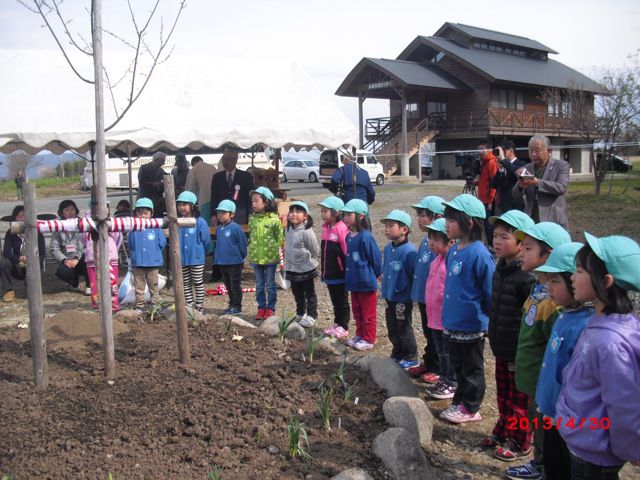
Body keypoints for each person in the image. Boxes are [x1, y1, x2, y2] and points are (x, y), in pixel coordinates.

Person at [556, 234, 640, 480]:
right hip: (585, 440)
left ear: (605, 281)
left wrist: (630, 449)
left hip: (596, 452)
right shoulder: (602, 322)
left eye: (579, 271)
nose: (572, 277)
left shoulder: (610, 343)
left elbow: (624, 405)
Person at [506, 221, 571, 480]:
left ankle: (544, 466)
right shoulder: (537, 289)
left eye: (529, 248)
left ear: (550, 254)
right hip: (532, 377)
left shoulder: (556, 303)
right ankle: (540, 462)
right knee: (536, 420)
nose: (522, 252)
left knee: (546, 426)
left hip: (546, 382)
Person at [533, 242, 593, 480]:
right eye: (547, 281)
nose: (548, 288)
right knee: (553, 463)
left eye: (555, 281)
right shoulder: (563, 314)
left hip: (567, 419)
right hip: (550, 410)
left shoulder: (584, 325)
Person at [483, 210, 536, 460]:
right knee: (503, 393)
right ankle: (504, 429)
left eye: (505, 237)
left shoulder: (526, 277)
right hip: (501, 346)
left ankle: (521, 440)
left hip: (518, 349)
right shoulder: (500, 268)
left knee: (519, 398)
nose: (497, 242)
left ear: (522, 244)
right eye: (495, 236)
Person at [439, 194, 495, 424]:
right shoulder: (454, 250)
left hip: (471, 323)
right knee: (458, 365)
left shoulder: (480, 253)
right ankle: (459, 401)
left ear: (469, 223)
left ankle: (471, 407)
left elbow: (490, 290)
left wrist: (490, 321)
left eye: (451, 220)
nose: (446, 224)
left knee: (472, 368)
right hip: (454, 322)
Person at [407, 195, 445, 382]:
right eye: (418, 215)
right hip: (423, 297)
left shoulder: (441, 245)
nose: (419, 219)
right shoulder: (424, 241)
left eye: (423, 215)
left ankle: (438, 367)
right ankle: (429, 362)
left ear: (437, 217)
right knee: (427, 332)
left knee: (436, 335)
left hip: (435, 301)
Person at [340, 199, 382, 351]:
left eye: (349, 214)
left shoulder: (366, 237)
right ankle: (359, 334)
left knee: (368, 313)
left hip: (366, 282)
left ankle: (369, 338)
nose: (345, 217)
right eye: (344, 214)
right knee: (357, 311)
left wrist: (378, 273)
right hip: (353, 282)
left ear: (361, 216)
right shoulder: (348, 236)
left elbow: (375, 257)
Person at [423, 218, 457, 400]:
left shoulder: (450, 263)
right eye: (430, 238)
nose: (431, 243)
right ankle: (443, 379)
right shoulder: (436, 261)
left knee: (447, 352)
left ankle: (450, 382)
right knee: (440, 350)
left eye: (436, 239)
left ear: (450, 242)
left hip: (445, 318)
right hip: (434, 317)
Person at [380, 210, 418, 368]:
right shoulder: (388, 248)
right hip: (390, 296)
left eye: (391, 226)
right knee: (392, 326)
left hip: (402, 297)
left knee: (403, 326)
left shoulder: (410, 252)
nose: (387, 229)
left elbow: (413, 275)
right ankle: (397, 352)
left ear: (404, 229)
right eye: (386, 226)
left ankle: (411, 355)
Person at [511, 135, 570, 228]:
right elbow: (514, 195)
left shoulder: (561, 165)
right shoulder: (526, 168)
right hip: (532, 217)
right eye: (530, 150)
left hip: (553, 218)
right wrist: (520, 185)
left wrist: (537, 182)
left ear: (549, 150)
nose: (533, 154)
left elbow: (561, 187)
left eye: (537, 150)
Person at [247, 187, 283, 320]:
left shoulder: (274, 220)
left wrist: (278, 254)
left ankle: (271, 308)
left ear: (266, 202)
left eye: (256, 201)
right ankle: (261, 307)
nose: (253, 204)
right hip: (256, 258)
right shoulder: (252, 219)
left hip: (270, 259)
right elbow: (251, 236)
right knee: (259, 285)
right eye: (252, 201)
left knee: (270, 284)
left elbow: (279, 238)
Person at [319, 196, 351, 339]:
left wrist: (346, 270)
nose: (322, 214)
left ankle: (344, 326)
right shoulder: (326, 228)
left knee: (342, 300)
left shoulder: (341, 228)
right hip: (330, 273)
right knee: (334, 300)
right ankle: (337, 323)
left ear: (336, 213)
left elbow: (346, 251)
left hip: (340, 273)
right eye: (322, 211)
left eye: (326, 211)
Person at [82, 201, 123, 312]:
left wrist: (112, 250)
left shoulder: (112, 223)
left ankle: (114, 305)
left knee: (112, 282)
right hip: (92, 259)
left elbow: (118, 238)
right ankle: (97, 305)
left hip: (110, 258)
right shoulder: (86, 223)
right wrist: (90, 249)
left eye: (106, 207)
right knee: (94, 283)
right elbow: (84, 239)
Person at [285, 201, 320, 328]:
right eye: (292, 211)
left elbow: (314, 249)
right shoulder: (288, 229)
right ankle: (301, 312)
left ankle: (312, 316)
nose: (293, 214)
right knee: (296, 292)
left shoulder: (306, 231)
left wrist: (311, 261)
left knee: (309, 293)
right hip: (292, 267)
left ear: (305, 216)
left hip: (306, 267)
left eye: (298, 212)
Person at [128, 198, 166, 312]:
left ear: (151, 213)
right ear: (135, 213)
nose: (142, 215)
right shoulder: (133, 228)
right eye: (139, 212)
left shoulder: (156, 227)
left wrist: (154, 253)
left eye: (146, 213)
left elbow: (162, 243)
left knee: (153, 286)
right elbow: (130, 244)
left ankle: (155, 304)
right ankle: (140, 305)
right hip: (138, 262)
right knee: (139, 286)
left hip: (152, 262)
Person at [0, 205, 46, 302]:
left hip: (34, 265)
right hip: (18, 265)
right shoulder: (10, 232)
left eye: (25, 216)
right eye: (19, 217)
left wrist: (32, 259)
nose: (23, 219)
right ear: (14, 219)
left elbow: (42, 253)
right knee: (2, 262)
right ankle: (8, 290)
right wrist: (19, 258)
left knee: (31, 294)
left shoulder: (37, 232)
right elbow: (7, 252)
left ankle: (33, 290)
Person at [177, 191, 211, 313]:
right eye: (179, 204)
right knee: (185, 282)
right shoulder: (177, 221)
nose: (181, 207)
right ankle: (189, 304)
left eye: (185, 204)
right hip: (182, 258)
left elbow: (206, 240)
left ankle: (199, 305)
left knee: (197, 281)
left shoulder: (200, 221)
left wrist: (202, 252)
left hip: (196, 258)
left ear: (192, 205)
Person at [214, 199, 247, 315]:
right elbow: (218, 245)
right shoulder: (219, 228)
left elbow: (243, 244)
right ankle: (232, 303)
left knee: (235, 285)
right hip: (223, 262)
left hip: (235, 262)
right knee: (228, 284)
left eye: (223, 213)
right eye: (218, 213)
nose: (220, 215)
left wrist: (242, 257)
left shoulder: (236, 228)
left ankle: (237, 306)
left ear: (231, 214)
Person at [50, 199, 89, 293]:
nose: (70, 212)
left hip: (81, 257)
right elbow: (54, 248)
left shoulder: (83, 224)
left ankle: (89, 286)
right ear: (61, 213)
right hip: (66, 258)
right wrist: (65, 260)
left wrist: (77, 258)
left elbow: (87, 245)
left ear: (76, 210)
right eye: (67, 210)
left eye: (72, 209)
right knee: (62, 271)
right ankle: (74, 284)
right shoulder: (58, 226)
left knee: (89, 261)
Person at [210, 150, 255, 226]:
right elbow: (214, 198)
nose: (225, 162)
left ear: (235, 160)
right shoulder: (217, 177)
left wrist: (251, 214)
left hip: (240, 214)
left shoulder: (246, 176)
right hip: (222, 214)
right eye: (223, 159)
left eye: (228, 159)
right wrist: (213, 215)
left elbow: (250, 197)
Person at [491, 141, 527, 214]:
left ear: (511, 151)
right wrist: (500, 169)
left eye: (503, 151)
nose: (501, 154)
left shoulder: (521, 164)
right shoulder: (503, 166)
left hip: (514, 206)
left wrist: (504, 160)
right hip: (502, 206)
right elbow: (493, 184)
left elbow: (515, 173)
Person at [476, 140, 499, 247]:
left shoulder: (491, 163)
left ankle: (491, 245)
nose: (480, 151)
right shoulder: (484, 162)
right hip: (482, 198)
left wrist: (491, 200)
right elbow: (485, 180)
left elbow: (494, 182)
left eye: (482, 149)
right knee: (484, 223)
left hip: (487, 200)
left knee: (488, 224)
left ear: (489, 149)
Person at [185, 156, 217, 225]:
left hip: (204, 200)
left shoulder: (194, 170)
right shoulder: (212, 167)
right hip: (217, 200)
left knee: (205, 224)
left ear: (193, 163)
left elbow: (190, 190)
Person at [138, 152, 167, 217]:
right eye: (162, 161)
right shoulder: (143, 168)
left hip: (157, 202)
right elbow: (141, 182)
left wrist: (161, 185)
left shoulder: (161, 171)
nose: (163, 164)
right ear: (156, 160)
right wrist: (154, 184)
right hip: (145, 198)